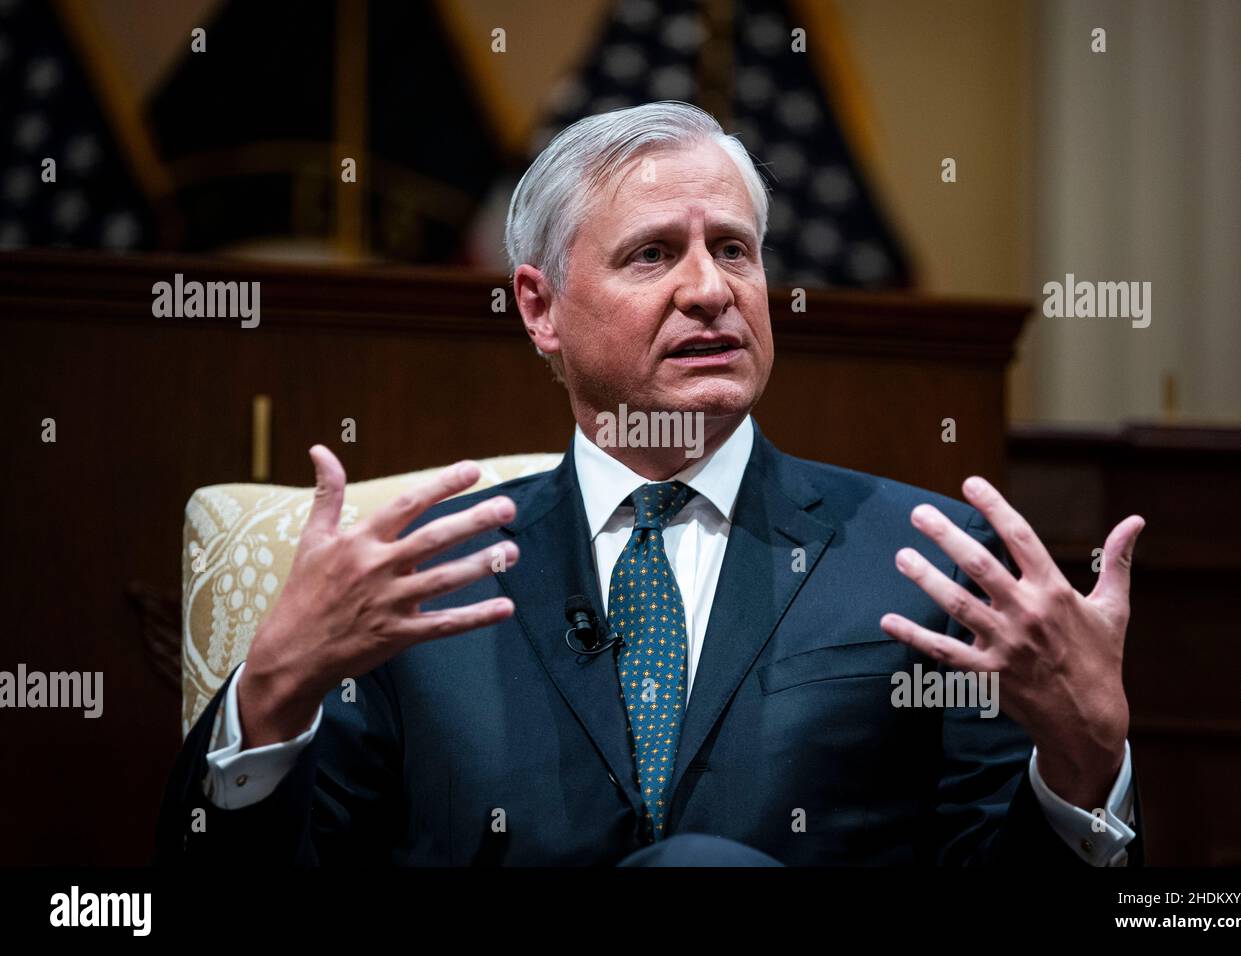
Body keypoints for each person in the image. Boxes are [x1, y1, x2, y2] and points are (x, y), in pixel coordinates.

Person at [158, 101, 1143, 866]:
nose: (710, 288)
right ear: (539, 308)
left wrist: (1083, 767)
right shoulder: (418, 576)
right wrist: (273, 693)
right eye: (652, 254)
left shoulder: (923, 556)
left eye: (733, 250)